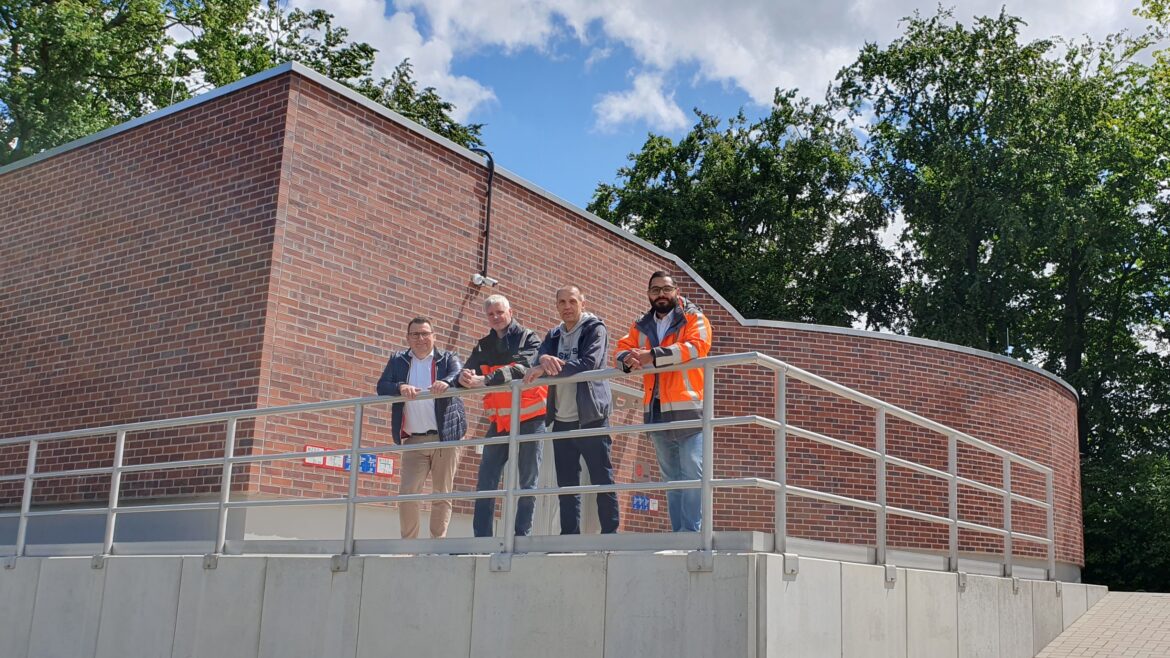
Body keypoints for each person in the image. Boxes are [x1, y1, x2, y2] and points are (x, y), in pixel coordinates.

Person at [615, 271, 712, 532]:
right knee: (671, 476)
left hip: (688, 408)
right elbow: (621, 348)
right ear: (648, 294)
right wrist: (627, 359)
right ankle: (678, 532)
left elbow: (695, 347)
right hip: (656, 410)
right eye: (655, 290)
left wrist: (651, 356)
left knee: (692, 471)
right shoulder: (641, 325)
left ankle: (691, 532)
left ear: (676, 291)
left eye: (666, 289)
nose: (661, 294)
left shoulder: (694, 318)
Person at [524, 285, 619, 534]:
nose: (567, 306)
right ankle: (569, 535)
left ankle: (610, 533)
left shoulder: (595, 329)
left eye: (572, 301)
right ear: (556, 306)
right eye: (562, 302)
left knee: (601, 479)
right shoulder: (554, 335)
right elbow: (538, 359)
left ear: (582, 303)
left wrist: (548, 367)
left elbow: (590, 362)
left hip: (591, 417)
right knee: (566, 485)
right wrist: (543, 360)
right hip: (562, 418)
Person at [459, 294, 548, 538]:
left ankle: (521, 536)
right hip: (499, 422)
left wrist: (485, 379)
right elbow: (468, 369)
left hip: (531, 419)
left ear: (510, 311)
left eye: (500, 312)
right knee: (486, 480)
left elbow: (522, 369)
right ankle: (482, 538)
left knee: (527, 480)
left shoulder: (529, 338)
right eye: (491, 314)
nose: (496, 317)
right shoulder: (483, 345)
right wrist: (462, 378)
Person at [376, 316, 467, 539]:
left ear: (434, 336)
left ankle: (437, 545)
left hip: (445, 438)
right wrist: (400, 386)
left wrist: (447, 382)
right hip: (414, 440)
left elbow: (460, 374)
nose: (421, 338)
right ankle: (409, 546)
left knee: (442, 494)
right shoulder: (398, 360)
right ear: (408, 338)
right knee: (407, 494)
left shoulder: (447, 358)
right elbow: (382, 386)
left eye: (425, 333)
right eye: (415, 334)